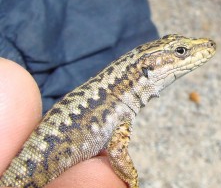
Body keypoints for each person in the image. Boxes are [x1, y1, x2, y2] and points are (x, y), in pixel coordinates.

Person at [0, 58, 128, 187]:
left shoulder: (109, 94)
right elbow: (117, 152)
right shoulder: (116, 101)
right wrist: (133, 180)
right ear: (145, 70)